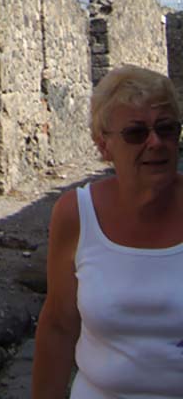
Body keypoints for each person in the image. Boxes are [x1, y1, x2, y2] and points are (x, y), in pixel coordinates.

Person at [32, 64, 183, 399]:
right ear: (104, 146)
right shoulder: (76, 214)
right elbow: (58, 324)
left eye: (167, 129)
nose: (156, 142)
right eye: (136, 133)